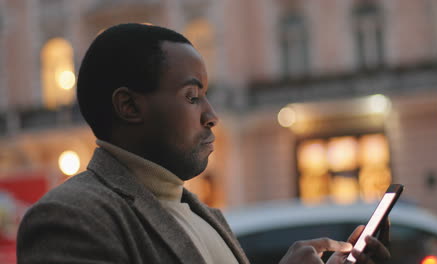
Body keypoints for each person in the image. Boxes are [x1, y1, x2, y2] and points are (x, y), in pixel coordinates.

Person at [16, 23, 390, 264]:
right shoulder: (70, 217)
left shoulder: (204, 215)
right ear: (129, 106)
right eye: (192, 96)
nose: (212, 115)